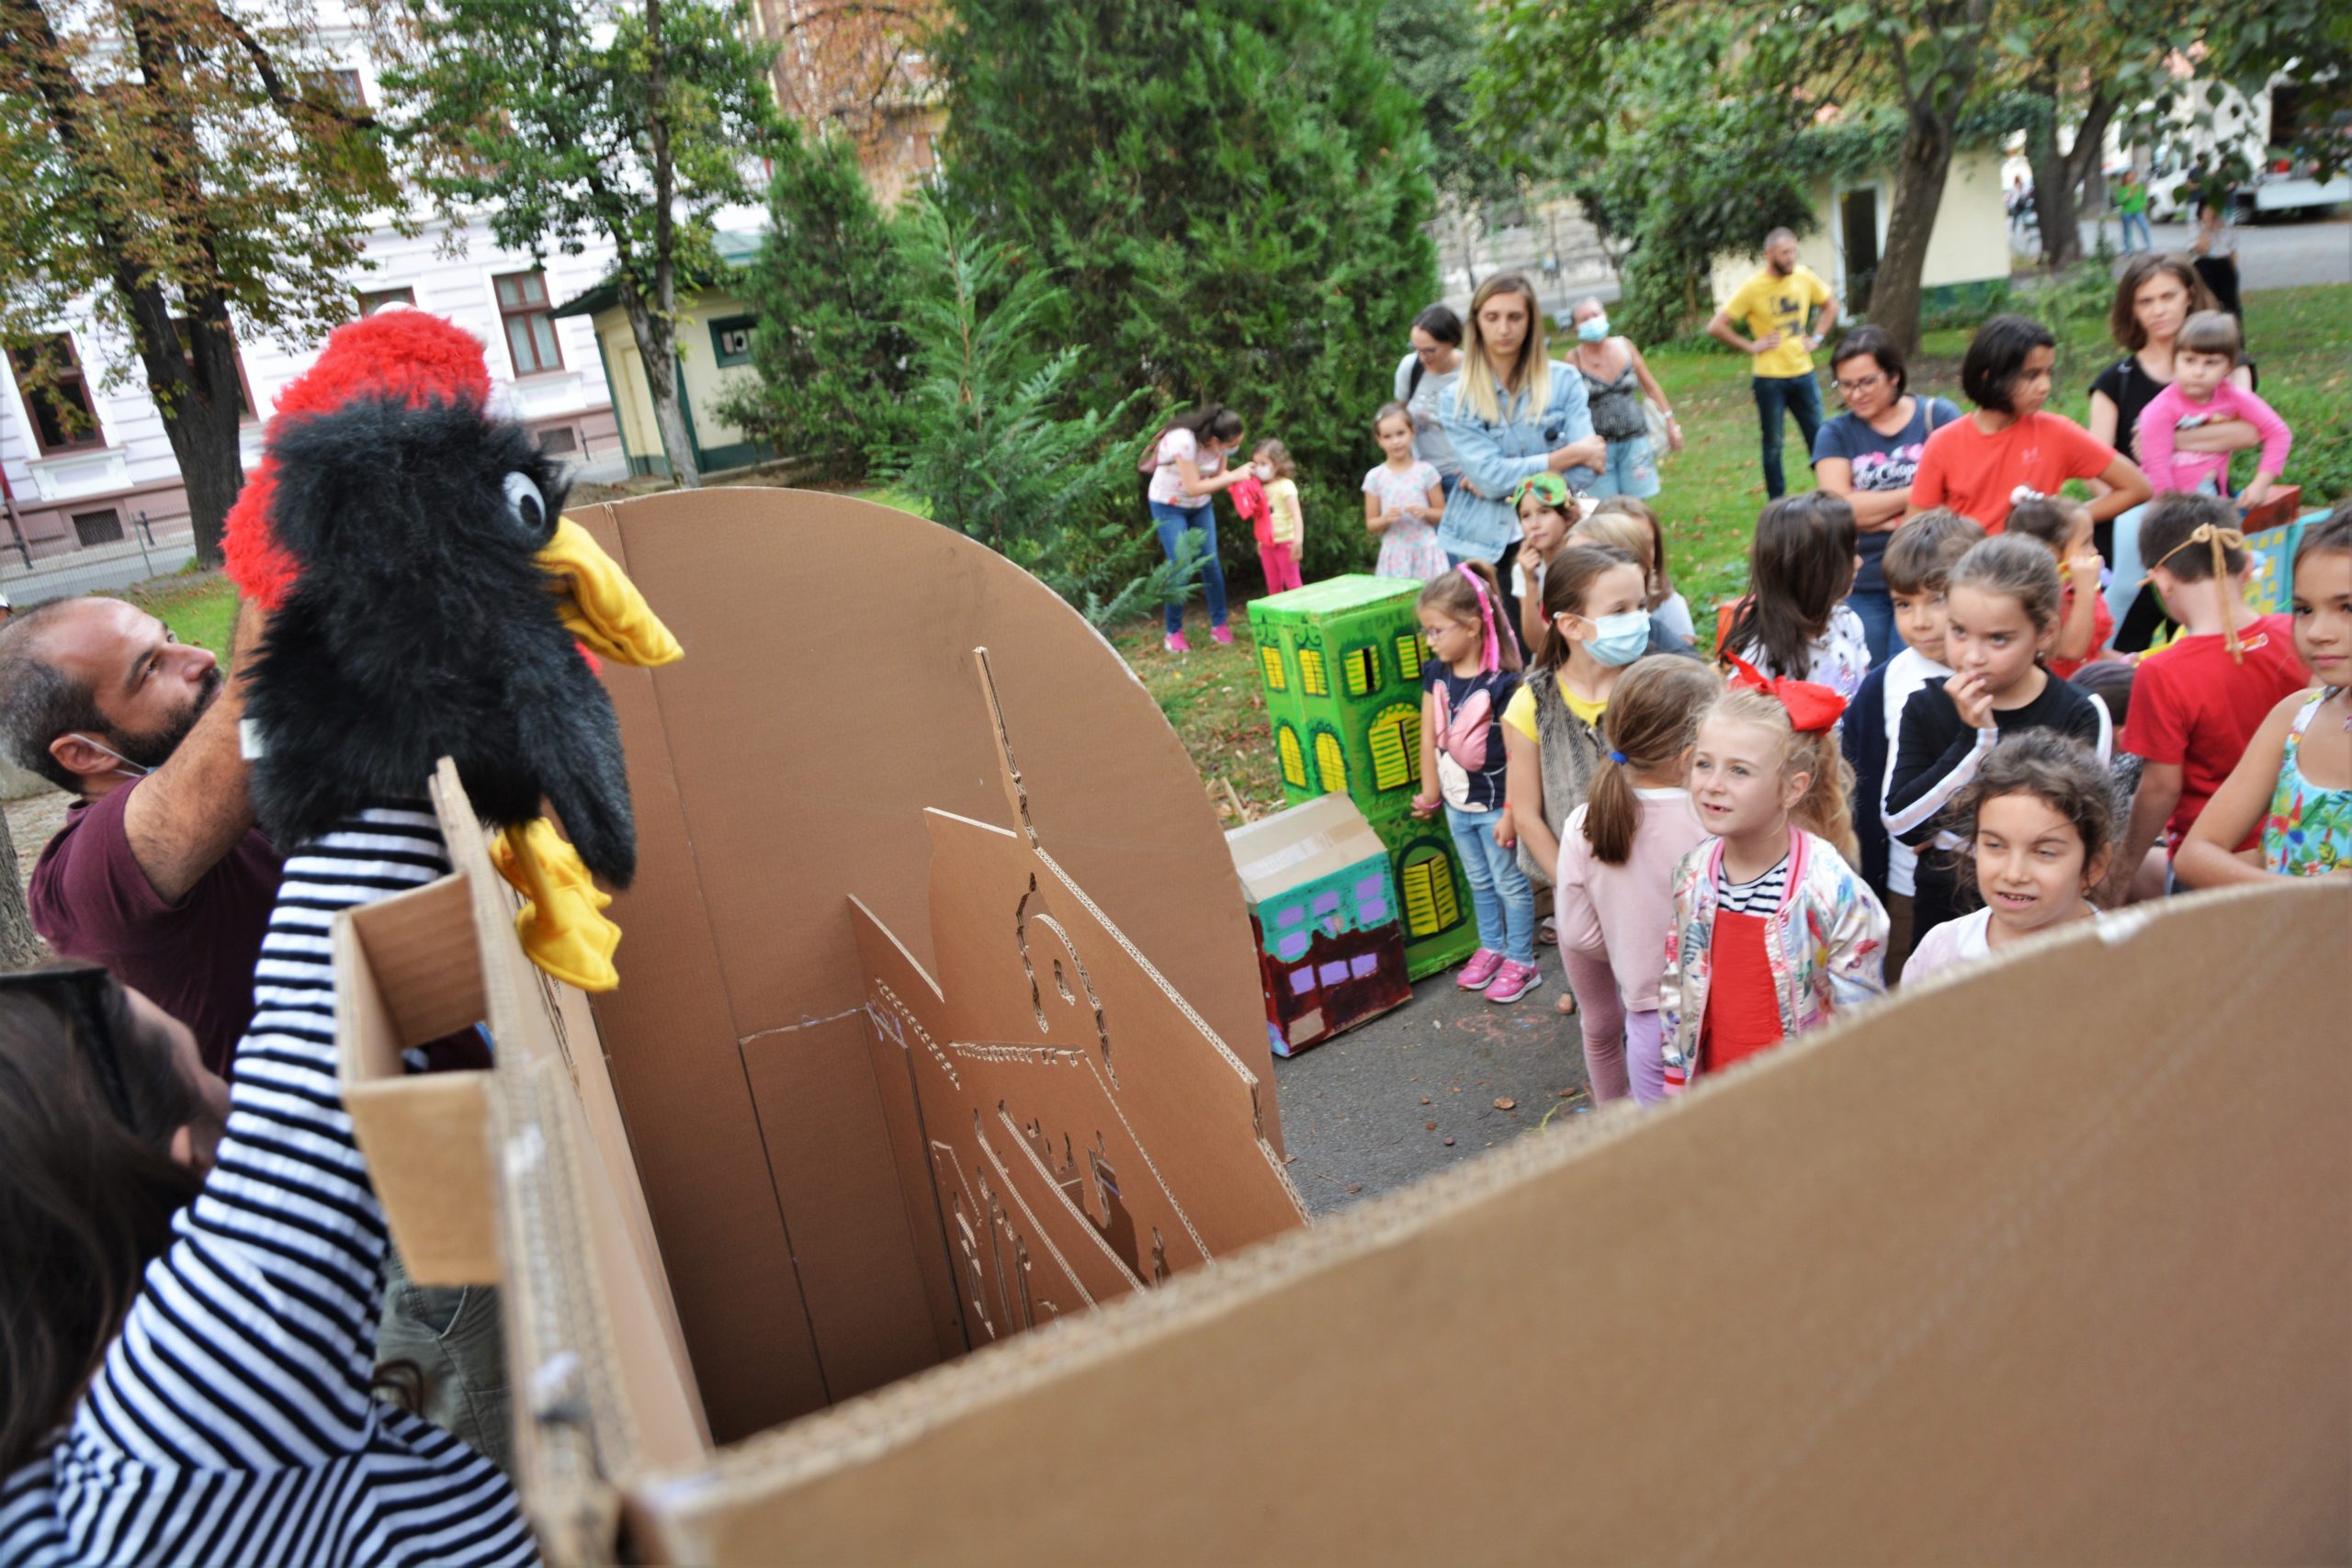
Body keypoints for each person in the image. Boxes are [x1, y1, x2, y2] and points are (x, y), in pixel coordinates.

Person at [0, 820, 538, 1567]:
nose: (243, 1090)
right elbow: (322, 992)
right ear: (194, 1160)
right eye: (208, 1068)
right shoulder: (181, 1427)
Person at [0, 595, 276, 1077]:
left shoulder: (245, 783)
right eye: (150, 669)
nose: (201, 657)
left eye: (170, 638)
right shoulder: (89, 873)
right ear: (84, 754)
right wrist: (270, 573)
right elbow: (250, 716)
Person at [1660, 679, 1887, 1094]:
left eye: (1739, 770)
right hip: (1718, 1083)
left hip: (1803, 1092)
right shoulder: (1692, 874)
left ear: (1792, 788)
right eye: (1705, 764)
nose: (1713, 784)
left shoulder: (1830, 890)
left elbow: (1860, 1010)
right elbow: (1679, 978)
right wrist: (1677, 1079)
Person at [1884, 536, 2113, 939]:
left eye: (1998, 639)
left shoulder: (2080, 712)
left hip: (2043, 912)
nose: (1973, 656)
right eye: (1959, 631)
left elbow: (2080, 829)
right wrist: (1975, 741)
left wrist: (1950, 827)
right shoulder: (1926, 704)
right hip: (1943, 907)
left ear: (2045, 633)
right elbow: (1904, 825)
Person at [2108, 493, 2312, 900]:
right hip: (2298, 850)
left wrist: (2122, 871)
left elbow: (2160, 789)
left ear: (2161, 580)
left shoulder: (2162, 672)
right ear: (2246, 565)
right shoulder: (2298, 634)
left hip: (2213, 866)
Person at [1552, 655, 1721, 1104]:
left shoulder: (1582, 823)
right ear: (1690, 754)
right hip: (1717, 1010)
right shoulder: (1715, 821)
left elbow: (1577, 934)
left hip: (1647, 1022)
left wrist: (1626, 946)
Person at [1501, 545, 1653, 1041]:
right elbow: (1526, 814)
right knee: (1603, 1021)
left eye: (1641, 605)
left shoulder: (1657, 690)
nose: (1639, 620)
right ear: (1570, 625)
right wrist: (1576, 891)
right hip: (1581, 897)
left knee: (1658, 1009)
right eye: (1620, 610)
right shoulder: (1532, 703)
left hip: (1656, 891)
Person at [2085, 254, 2261, 651]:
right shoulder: (2116, 381)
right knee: (2123, 648)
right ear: (2131, 308)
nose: (2158, 310)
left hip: (2205, 526)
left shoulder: (2227, 366)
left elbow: (2249, 431)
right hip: (2134, 534)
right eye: (2145, 301)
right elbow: (2094, 466)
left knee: (2211, 646)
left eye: (2168, 296)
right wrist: (2135, 506)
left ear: (2190, 296)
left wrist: (2165, 439)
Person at [1842, 509, 1984, 978]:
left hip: (1995, 881)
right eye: (1903, 605)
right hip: (1907, 884)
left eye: (1936, 601)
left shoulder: (1999, 673)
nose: (1920, 622)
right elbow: (1863, 786)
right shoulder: (1885, 684)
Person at [2175, 513, 2352, 886]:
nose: (2318, 632)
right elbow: (2196, 853)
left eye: (2347, 608)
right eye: (2304, 610)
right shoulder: (2295, 718)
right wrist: (2303, 898)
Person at [1436, 273, 1605, 635]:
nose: (1504, 328)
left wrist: (1505, 482)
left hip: (1565, 533)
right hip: (1494, 545)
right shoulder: (1457, 399)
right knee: (1525, 650)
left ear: (1530, 321)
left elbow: (1588, 469)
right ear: (1477, 323)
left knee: (1582, 637)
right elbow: (1489, 477)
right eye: (1492, 317)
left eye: (1515, 316)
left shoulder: (1563, 380)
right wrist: (1564, 456)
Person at [1411, 564, 1540, 1004]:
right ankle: (1492, 947)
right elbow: (1428, 735)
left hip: (1496, 808)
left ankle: (1522, 959)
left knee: (1509, 884)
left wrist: (1512, 813)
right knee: (1479, 881)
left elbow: (1519, 755)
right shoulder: (1435, 673)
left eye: (1436, 630)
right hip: (1456, 808)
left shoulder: (1505, 684)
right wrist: (1431, 793)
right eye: (1427, 631)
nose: (1430, 640)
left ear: (1470, 627)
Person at [1903, 731, 2117, 983]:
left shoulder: (2123, 961)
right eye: (1995, 845)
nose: (2014, 874)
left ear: (2093, 865)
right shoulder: (1941, 953)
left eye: (2044, 852)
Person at [1907, 313, 2151, 535]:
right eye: (2031, 375)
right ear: (1989, 376)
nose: (2045, 386)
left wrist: (2063, 522)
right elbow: (1915, 532)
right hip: (1972, 568)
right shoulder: (1944, 443)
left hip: (2038, 568)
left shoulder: (2056, 433)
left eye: (2048, 372)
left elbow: (2137, 488)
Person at [1810, 325, 1962, 663]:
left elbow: (1960, 497)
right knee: (1873, 674)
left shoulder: (1938, 417)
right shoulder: (1835, 433)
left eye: (1867, 382)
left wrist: (1875, 513)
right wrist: (1921, 496)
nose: (1856, 394)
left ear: (1894, 375)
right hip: (1865, 579)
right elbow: (1839, 511)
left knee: (1923, 670)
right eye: (1845, 385)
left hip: (1933, 576)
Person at [1707, 228, 1841, 501]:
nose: (1790, 258)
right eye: (1784, 253)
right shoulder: (1753, 287)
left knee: (1818, 437)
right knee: (1773, 444)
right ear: (1769, 254)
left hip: (1803, 373)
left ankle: (1829, 496)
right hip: (1769, 379)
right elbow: (1716, 325)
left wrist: (1817, 337)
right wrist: (1750, 346)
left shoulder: (1804, 276)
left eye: (1793, 252)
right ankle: (1776, 503)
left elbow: (1831, 304)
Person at [1719, 492, 1872, 704]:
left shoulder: (1846, 621)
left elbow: (1864, 696)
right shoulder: (1762, 661)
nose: (1859, 562)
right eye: (1849, 554)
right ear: (1815, 570)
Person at [2134, 310, 2292, 513]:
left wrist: (2262, 483)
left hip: (2211, 494)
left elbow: (2279, 432)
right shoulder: (2160, 408)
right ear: (2175, 360)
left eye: (2211, 363)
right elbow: (2157, 466)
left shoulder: (2233, 396)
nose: (2198, 372)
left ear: (2228, 367)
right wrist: (2172, 512)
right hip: (2161, 500)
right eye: (2189, 360)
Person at [1145, 402, 1253, 653]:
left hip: (1200, 506)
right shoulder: (1184, 441)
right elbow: (1193, 486)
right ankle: (1173, 632)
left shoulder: (1220, 444)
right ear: (1214, 439)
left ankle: (1219, 625)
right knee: (1181, 565)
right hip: (1168, 505)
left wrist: (1241, 483)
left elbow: (1217, 477)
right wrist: (1233, 477)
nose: (1234, 449)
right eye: (1231, 445)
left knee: (1210, 562)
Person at [1566, 296, 1681, 501]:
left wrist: (1670, 422)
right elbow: (1567, 407)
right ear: (1575, 328)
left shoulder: (1624, 347)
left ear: (1605, 316)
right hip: (1598, 449)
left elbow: (1651, 388)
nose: (1592, 321)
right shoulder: (1573, 360)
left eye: (1595, 314)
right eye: (1584, 319)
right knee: (1604, 508)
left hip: (1635, 442)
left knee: (1636, 506)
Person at [2002, 497, 2112, 679]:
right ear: (2050, 554)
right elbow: (2072, 650)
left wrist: (2126, 661)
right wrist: (2085, 591)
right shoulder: (2043, 600)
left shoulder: (2077, 587)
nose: (2094, 551)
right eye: (2085, 543)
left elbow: (2093, 653)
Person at [1569, 508, 1693, 658]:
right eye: (1568, 563)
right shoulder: (1563, 640)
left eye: (1588, 564)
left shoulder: (1666, 654)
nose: (1570, 575)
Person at [1505, 472, 1589, 658]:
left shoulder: (1586, 559)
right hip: (1552, 657)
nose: (1534, 524)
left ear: (1569, 516)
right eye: (1526, 516)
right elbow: (1536, 644)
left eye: (1544, 512)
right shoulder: (1523, 569)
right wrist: (1530, 583)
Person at [1364, 403, 1449, 581]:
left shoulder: (1426, 471)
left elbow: (1443, 514)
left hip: (1427, 550)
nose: (1395, 441)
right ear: (1379, 440)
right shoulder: (1375, 477)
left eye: (1400, 433)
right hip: (1395, 554)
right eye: (1388, 436)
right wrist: (1386, 519)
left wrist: (1425, 512)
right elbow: (1371, 524)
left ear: (1412, 432)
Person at [1395, 303, 1465, 496]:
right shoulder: (1410, 368)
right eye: (1416, 349)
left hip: (1461, 478)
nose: (1422, 358)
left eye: (1429, 350)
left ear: (1451, 341)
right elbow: (1399, 418)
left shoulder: (1472, 373)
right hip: (1421, 479)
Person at [1251, 439, 1306, 593]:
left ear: (1277, 464)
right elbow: (1261, 517)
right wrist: (1260, 540)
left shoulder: (1286, 486)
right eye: (1256, 464)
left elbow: (1296, 516)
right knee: (1273, 585)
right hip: (1267, 545)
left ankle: (1300, 609)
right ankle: (1276, 611)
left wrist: (1298, 541)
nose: (1259, 468)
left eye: (1263, 463)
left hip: (1286, 543)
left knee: (1293, 584)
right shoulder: (1259, 488)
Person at [2192, 171, 2244, 321]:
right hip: (2204, 266)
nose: (2214, 213)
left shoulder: (2226, 226)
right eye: (2209, 209)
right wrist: (2207, 227)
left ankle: (2235, 331)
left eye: (2216, 209)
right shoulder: (2195, 227)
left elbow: (2233, 251)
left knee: (2231, 306)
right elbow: (2201, 249)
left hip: (2224, 264)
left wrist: (2233, 270)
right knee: (2208, 305)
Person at [2114, 167, 2153, 254]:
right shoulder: (2123, 188)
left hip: (2138, 211)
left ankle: (2149, 247)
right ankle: (2128, 249)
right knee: (2127, 231)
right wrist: (2127, 197)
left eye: (2133, 175)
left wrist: (2143, 205)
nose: (2132, 177)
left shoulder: (2138, 187)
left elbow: (2143, 197)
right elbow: (2120, 201)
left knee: (2144, 228)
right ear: (2126, 176)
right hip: (2126, 212)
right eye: (2130, 175)